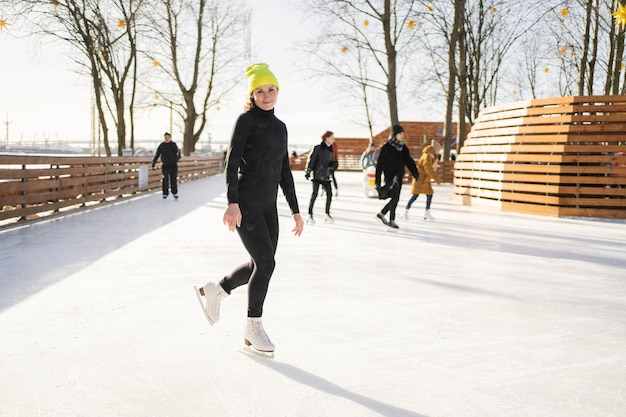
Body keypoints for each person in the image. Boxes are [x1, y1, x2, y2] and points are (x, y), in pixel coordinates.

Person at [193, 63, 304, 354]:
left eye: (271, 89)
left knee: (259, 264)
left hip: (269, 205)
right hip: (247, 201)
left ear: (277, 91)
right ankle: (253, 327)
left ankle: (218, 288)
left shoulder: (280, 127)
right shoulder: (247, 120)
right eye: (260, 90)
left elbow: (284, 171)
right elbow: (232, 162)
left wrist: (295, 210)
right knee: (266, 264)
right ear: (252, 94)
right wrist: (232, 202)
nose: (266, 95)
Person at [375, 124, 419, 229]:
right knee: (395, 197)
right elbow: (380, 165)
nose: (402, 135)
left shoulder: (403, 148)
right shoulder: (386, 148)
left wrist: (415, 173)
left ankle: (382, 214)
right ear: (394, 135)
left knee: (395, 198)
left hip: (399, 177)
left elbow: (409, 161)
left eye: (403, 133)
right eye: (400, 133)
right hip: (390, 176)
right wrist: (377, 180)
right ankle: (391, 220)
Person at [402, 139, 443, 221]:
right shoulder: (427, 156)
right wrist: (437, 179)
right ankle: (405, 211)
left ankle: (427, 212)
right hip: (420, 179)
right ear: (434, 149)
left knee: (430, 194)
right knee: (415, 195)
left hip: (425, 179)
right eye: (438, 150)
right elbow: (429, 169)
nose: (438, 152)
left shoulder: (431, 156)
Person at [304, 131, 336, 224]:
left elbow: (329, 162)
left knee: (329, 194)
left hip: (326, 176)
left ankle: (327, 214)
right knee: (314, 194)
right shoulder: (318, 148)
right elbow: (312, 160)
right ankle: (309, 214)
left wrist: (333, 165)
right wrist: (308, 171)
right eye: (332, 137)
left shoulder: (331, 149)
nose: (334, 139)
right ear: (327, 138)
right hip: (317, 175)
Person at [152, 132, 181, 199]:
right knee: (165, 179)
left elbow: (178, 154)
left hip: (173, 165)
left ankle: (174, 192)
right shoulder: (162, 145)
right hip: (165, 165)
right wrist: (154, 163)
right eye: (165, 138)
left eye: (167, 137)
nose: (166, 139)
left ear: (170, 138)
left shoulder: (173, 145)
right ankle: (165, 193)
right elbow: (157, 154)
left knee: (173, 179)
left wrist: (175, 160)